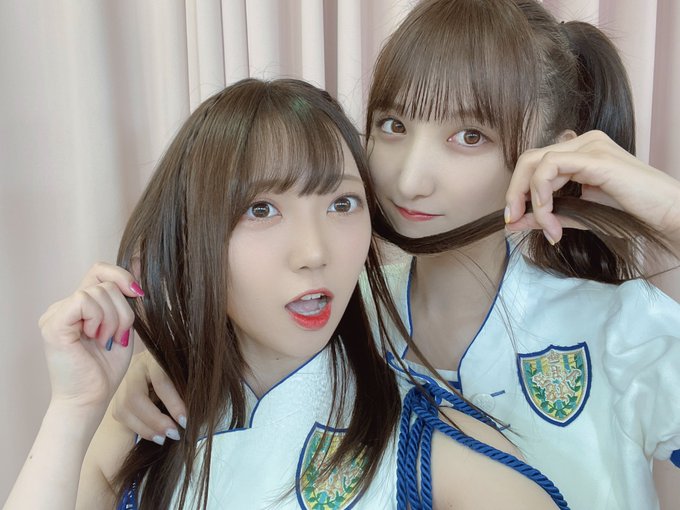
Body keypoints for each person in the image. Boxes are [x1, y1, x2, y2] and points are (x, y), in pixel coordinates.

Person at [111, 1, 680, 509]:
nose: (409, 179)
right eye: (393, 125)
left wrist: (673, 215)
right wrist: (169, 363)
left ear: (555, 156)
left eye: (469, 136)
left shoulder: (622, 328)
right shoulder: (327, 310)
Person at [3, 78, 567, 510]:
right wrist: (74, 408)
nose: (314, 252)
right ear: (191, 237)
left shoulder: (427, 448)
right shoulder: (146, 420)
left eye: (342, 204)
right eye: (261, 209)